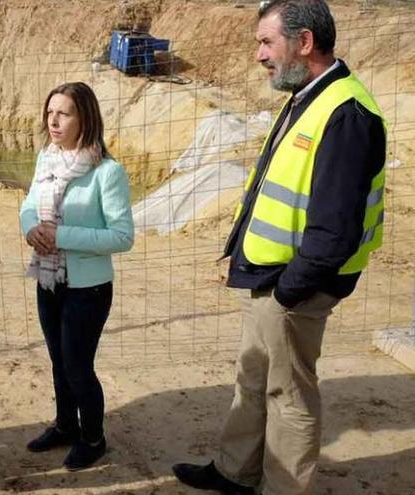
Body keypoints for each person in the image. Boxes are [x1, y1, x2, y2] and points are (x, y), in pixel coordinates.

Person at [172, 1, 386, 494]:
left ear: (304, 42)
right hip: (268, 276)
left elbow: (335, 230)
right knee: (253, 379)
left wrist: (290, 293)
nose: (258, 55)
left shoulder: (347, 114)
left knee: (288, 397)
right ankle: (235, 471)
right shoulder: (307, 96)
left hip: (295, 286)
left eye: (266, 42)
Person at [19, 81, 134, 471]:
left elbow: (122, 236)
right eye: (50, 112)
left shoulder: (107, 172)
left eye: (63, 113)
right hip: (49, 280)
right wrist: (31, 228)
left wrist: (60, 236)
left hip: (88, 287)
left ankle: (93, 437)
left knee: (77, 366)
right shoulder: (45, 159)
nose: (53, 120)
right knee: (57, 359)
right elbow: (29, 206)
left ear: (85, 117)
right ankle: (66, 425)